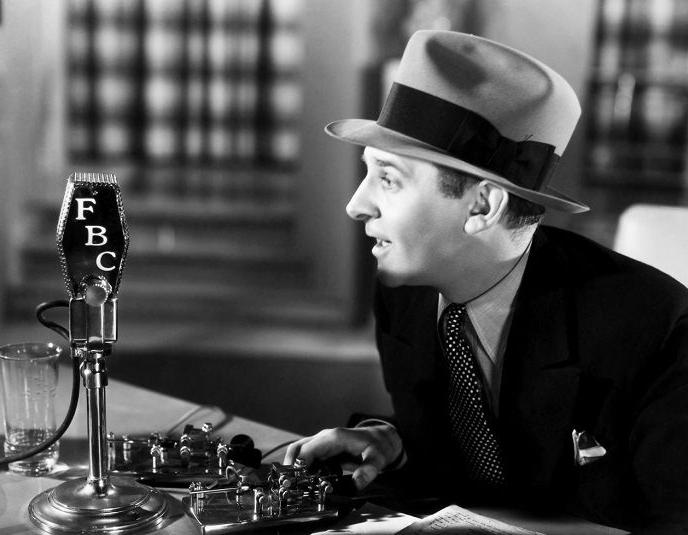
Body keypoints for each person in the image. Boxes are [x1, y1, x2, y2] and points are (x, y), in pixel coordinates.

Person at [283, 30, 688, 534]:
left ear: (482, 205)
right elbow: (471, 444)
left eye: (387, 178)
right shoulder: (404, 289)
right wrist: (396, 444)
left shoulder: (658, 330)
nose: (356, 205)